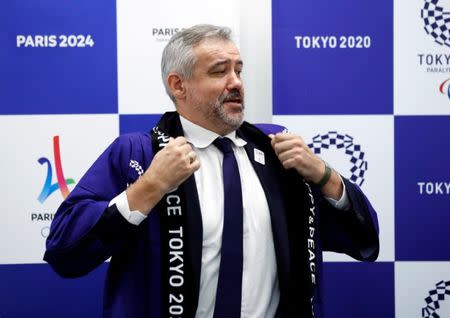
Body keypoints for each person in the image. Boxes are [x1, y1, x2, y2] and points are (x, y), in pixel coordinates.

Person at [44, 24, 379, 318]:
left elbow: (363, 240)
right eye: (220, 71)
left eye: (239, 70)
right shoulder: (138, 154)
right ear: (178, 85)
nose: (236, 83)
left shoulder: (277, 152)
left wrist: (326, 177)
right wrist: (148, 188)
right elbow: (65, 251)